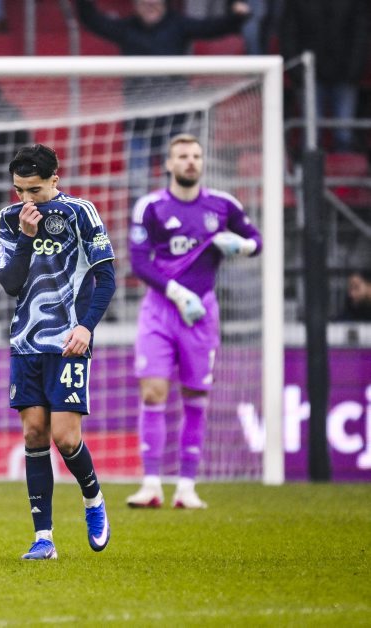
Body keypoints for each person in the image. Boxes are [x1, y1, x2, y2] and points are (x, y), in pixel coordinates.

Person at [127, 134, 261, 509]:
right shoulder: (151, 207)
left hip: (201, 312)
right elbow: (138, 262)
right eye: (183, 156)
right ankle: (151, 484)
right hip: (160, 309)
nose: (190, 161)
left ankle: (187, 487)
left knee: (195, 397)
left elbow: (257, 240)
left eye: (196, 156)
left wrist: (241, 245)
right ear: (169, 164)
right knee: (153, 391)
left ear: (203, 162)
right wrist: (175, 292)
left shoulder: (223, 205)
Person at [0, 144, 115, 560]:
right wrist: (26, 239)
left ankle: (93, 499)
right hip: (25, 342)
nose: (26, 199)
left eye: (35, 190)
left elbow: (106, 278)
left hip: (68, 341)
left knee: (65, 438)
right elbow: (10, 284)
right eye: (19, 190)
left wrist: (86, 326)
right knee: (33, 434)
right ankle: (43, 538)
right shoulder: (9, 219)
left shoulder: (81, 213)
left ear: (54, 181)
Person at [75, 0, 250, 197]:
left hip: (174, 124)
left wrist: (237, 16)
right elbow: (94, 21)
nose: (150, 6)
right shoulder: (127, 29)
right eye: (144, 3)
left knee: (177, 184)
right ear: (135, 5)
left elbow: (211, 28)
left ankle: (176, 216)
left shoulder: (178, 25)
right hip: (138, 125)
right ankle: (141, 217)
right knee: (138, 185)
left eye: (155, 3)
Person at [281, 0, 368, 152]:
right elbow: (288, 33)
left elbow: (361, 33)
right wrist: (298, 73)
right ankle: (310, 167)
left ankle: (344, 166)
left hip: (345, 75)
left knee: (344, 135)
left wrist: (354, 71)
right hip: (308, 75)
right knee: (311, 136)